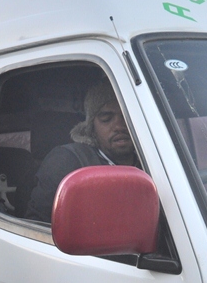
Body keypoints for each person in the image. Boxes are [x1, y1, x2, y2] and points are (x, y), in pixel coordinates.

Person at [25, 80, 141, 222]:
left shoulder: (156, 162)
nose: (119, 126)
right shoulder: (68, 161)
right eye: (106, 118)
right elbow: (38, 226)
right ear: (91, 127)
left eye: (126, 116)